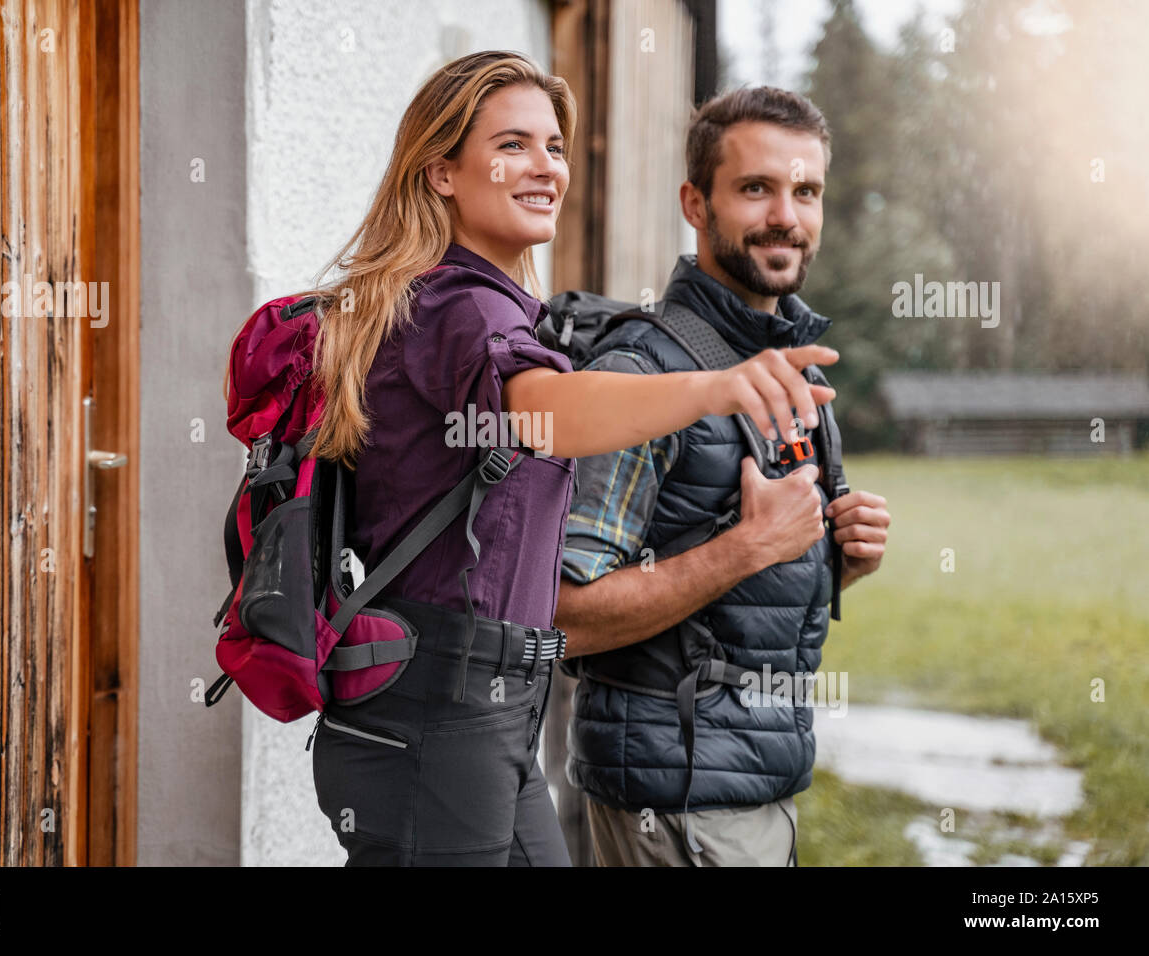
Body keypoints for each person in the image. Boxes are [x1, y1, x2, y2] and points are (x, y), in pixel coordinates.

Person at [294, 54, 838, 866]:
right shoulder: (456, 306)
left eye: (553, 146)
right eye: (512, 145)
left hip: (480, 710)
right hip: (438, 713)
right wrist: (711, 387)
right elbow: (549, 415)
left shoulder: (494, 308)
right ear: (441, 172)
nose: (545, 166)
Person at [555, 87, 891, 867]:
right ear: (695, 203)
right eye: (755, 189)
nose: (786, 215)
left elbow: (739, 590)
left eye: (806, 191)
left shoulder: (787, 363)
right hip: (679, 806)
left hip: (751, 790)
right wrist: (750, 547)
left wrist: (835, 558)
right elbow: (566, 616)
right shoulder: (642, 376)